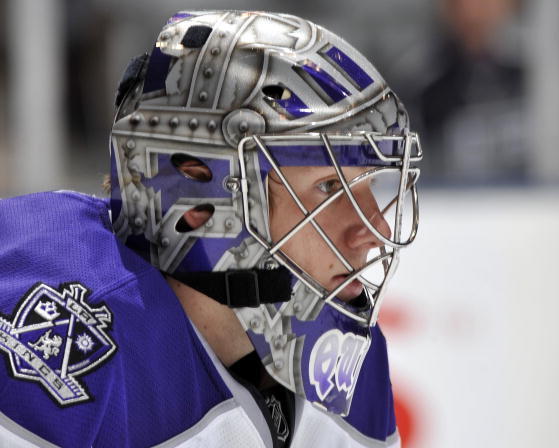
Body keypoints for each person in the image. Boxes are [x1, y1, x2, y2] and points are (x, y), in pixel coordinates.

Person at [0, 10, 422, 448]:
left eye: (369, 184)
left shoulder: (348, 367)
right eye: (330, 186)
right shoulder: (64, 344)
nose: (374, 229)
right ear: (202, 195)